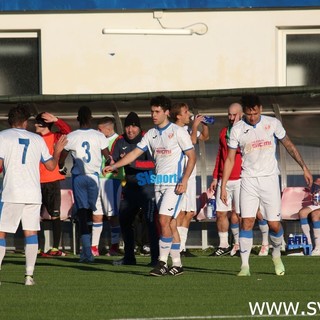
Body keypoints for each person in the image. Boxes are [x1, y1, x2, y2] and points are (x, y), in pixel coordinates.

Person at [220, 94, 313, 276]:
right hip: (248, 179)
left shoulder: (273, 123)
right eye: (248, 114)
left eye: (255, 113)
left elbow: (289, 145)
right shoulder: (237, 129)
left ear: (260, 109)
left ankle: (276, 254)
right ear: (244, 112)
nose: (252, 117)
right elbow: (230, 159)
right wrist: (223, 186)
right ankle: (245, 266)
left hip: (269, 179)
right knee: (246, 221)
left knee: (274, 224)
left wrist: (304, 168)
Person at [104, 96, 196, 276]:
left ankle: (161, 263)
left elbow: (192, 157)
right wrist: (114, 166)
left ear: (167, 112)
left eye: (157, 112)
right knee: (170, 224)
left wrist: (184, 180)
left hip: (174, 185)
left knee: (162, 221)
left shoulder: (178, 132)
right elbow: (134, 154)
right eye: (152, 111)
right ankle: (177, 264)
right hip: (158, 184)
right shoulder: (152, 134)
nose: (153, 115)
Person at [0, 104, 67, 285]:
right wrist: (58, 151)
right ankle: (29, 276)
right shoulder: (37, 139)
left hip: (11, 192)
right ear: (24, 121)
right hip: (33, 193)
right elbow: (51, 166)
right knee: (31, 233)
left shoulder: (2, 137)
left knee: (1, 234)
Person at [58, 106, 111, 263]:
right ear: (91, 118)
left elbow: (63, 156)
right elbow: (107, 155)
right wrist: (110, 163)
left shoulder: (72, 136)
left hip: (79, 177)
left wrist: (61, 166)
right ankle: (89, 250)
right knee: (90, 213)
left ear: (77, 119)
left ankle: (86, 251)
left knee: (82, 212)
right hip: (94, 177)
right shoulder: (98, 136)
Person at [111, 112, 159, 266]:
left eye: (133, 127)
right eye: (127, 127)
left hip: (147, 186)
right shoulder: (119, 141)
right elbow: (114, 161)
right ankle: (129, 257)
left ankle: (155, 259)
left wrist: (133, 163)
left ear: (139, 128)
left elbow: (154, 164)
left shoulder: (148, 139)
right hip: (129, 187)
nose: (130, 130)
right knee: (124, 220)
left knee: (151, 221)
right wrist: (112, 166)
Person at [170, 102, 209, 257]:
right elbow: (192, 141)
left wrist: (204, 124)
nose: (189, 114)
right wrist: (195, 126)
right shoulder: (175, 130)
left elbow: (204, 137)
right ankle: (176, 247)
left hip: (191, 176)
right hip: (180, 176)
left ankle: (182, 247)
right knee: (179, 213)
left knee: (189, 212)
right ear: (178, 115)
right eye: (186, 112)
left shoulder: (187, 129)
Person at [35, 112, 72, 257]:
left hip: (52, 181)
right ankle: (37, 248)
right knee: (35, 216)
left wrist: (56, 120)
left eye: (38, 122)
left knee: (55, 215)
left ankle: (55, 248)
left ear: (44, 124)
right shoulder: (34, 138)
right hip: (36, 181)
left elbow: (67, 132)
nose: (35, 125)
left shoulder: (55, 137)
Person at [209, 103, 242, 257]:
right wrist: (216, 177)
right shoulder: (223, 132)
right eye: (229, 114)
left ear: (241, 114)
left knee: (238, 213)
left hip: (241, 179)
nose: (231, 117)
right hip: (224, 179)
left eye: (234, 114)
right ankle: (223, 245)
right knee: (221, 212)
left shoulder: (245, 132)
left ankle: (238, 243)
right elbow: (219, 156)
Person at [91, 117, 123, 257]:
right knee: (96, 215)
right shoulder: (98, 140)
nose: (98, 132)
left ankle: (114, 246)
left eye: (100, 130)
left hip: (112, 181)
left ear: (109, 129)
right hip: (97, 180)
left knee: (112, 215)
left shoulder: (119, 141)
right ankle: (94, 248)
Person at [298, 178, 320, 255]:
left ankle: (318, 247)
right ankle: (308, 245)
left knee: (315, 214)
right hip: (317, 204)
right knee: (302, 212)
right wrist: (314, 192)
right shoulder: (318, 181)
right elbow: (313, 192)